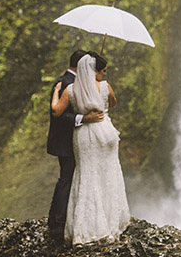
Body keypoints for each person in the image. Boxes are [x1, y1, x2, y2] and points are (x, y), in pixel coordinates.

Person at [51, 52, 131, 245]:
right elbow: (112, 103)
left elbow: (56, 111)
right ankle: (111, 222)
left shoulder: (71, 90)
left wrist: (55, 93)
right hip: (106, 131)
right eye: (103, 71)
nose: (104, 74)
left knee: (87, 174)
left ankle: (88, 227)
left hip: (86, 135)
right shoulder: (104, 86)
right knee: (109, 173)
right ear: (94, 71)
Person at [46, 50, 104, 242]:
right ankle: (58, 224)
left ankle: (56, 219)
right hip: (66, 140)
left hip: (76, 140)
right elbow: (59, 115)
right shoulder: (67, 83)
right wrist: (84, 118)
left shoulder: (73, 82)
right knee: (67, 179)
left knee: (67, 179)